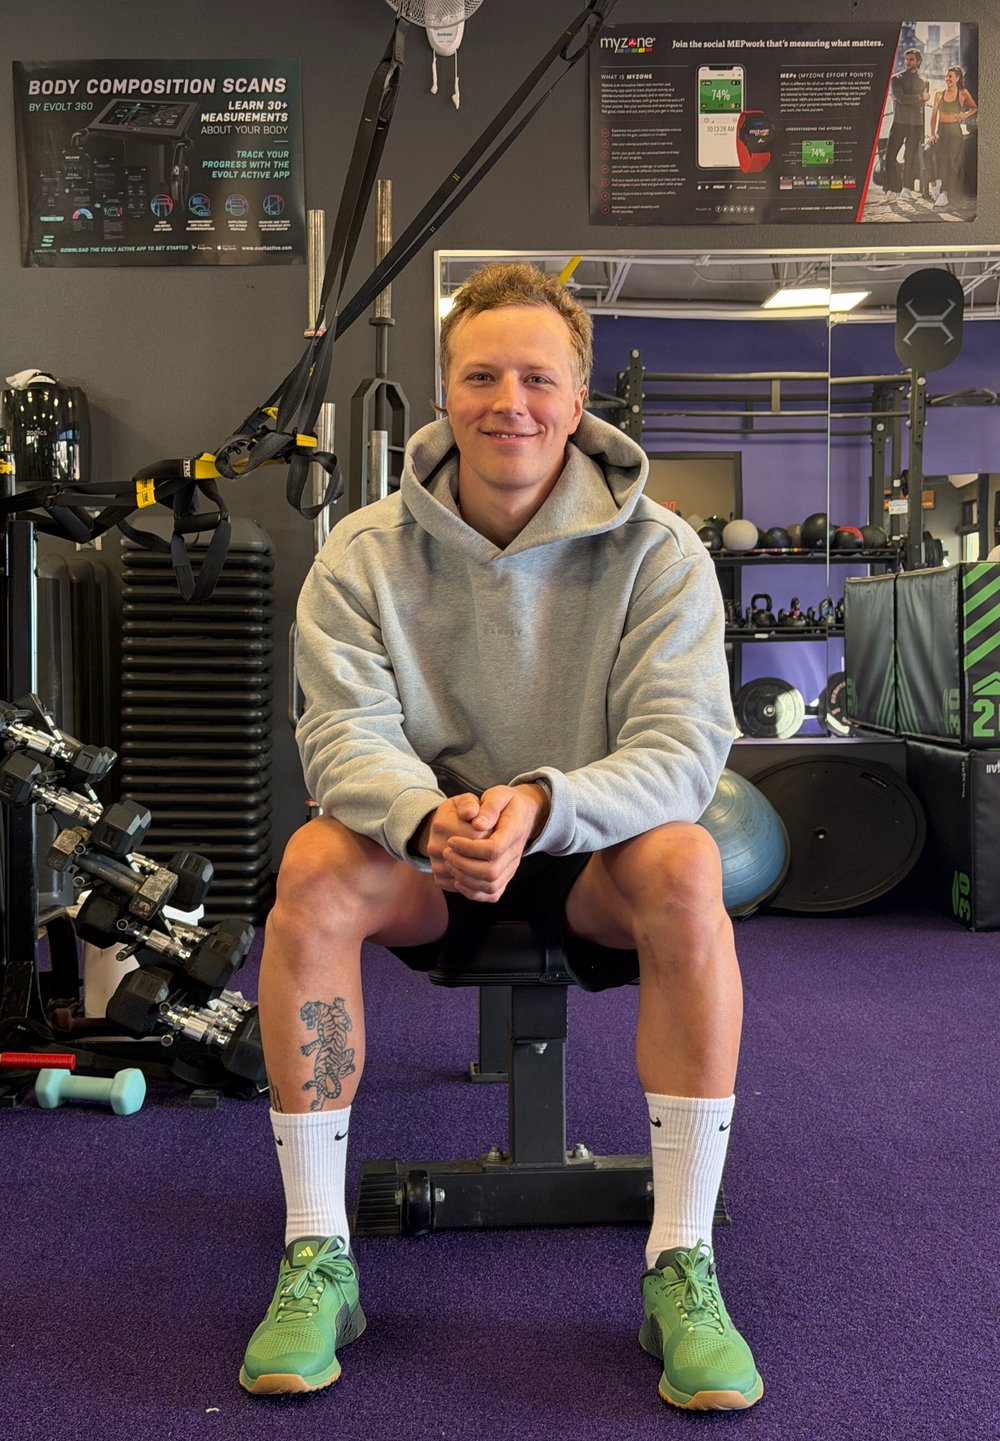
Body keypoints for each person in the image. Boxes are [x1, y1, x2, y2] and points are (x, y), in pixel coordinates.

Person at [238, 262, 763, 1412]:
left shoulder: (660, 551)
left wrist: (538, 803)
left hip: (588, 851)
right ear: (444, 393)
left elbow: (681, 748)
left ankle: (682, 1262)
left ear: (577, 403)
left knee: (687, 860)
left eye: (536, 379)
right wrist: (425, 815)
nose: (507, 402)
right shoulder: (361, 553)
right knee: (313, 863)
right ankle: (316, 1250)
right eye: (481, 377)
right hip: (427, 852)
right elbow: (340, 734)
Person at [927, 65, 978, 209]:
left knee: (952, 162)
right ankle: (935, 183)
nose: (947, 79)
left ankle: (945, 194)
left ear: (957, 78)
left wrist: (964, 115)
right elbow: (933, 116)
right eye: (946, 76)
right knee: (927, 151)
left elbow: (974, 107)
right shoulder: (939, 94)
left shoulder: (962, 93)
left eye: (950, 76)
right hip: (941, 131)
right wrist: (932, 134)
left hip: (955, 132)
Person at [882, 49, 930, 199]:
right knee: (890, 156)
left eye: (911, 59)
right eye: (906, 59)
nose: (908, 62)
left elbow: (919, 104)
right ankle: (891, 189)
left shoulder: (924, 82)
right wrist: (919, 97)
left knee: (910, 157)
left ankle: (906, 188)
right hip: (899, 122)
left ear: (918, 61)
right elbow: (901, 98)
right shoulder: (896, 79)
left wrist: (908, 99)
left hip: (916, 124)